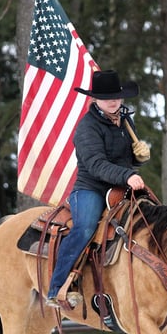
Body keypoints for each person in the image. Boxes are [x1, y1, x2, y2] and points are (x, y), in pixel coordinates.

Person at [46, 69, 151, 308]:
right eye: (106, 97)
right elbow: (96, 164)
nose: (113, 101)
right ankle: (56, 288)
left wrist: (138, 159)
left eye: (116, 96)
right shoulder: (87, 127)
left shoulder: (125, 120)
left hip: (122, 186)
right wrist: (128, 174)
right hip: (91, 187)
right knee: (84, 228)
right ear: (95, 99)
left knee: (153, 217)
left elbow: (125, 159)